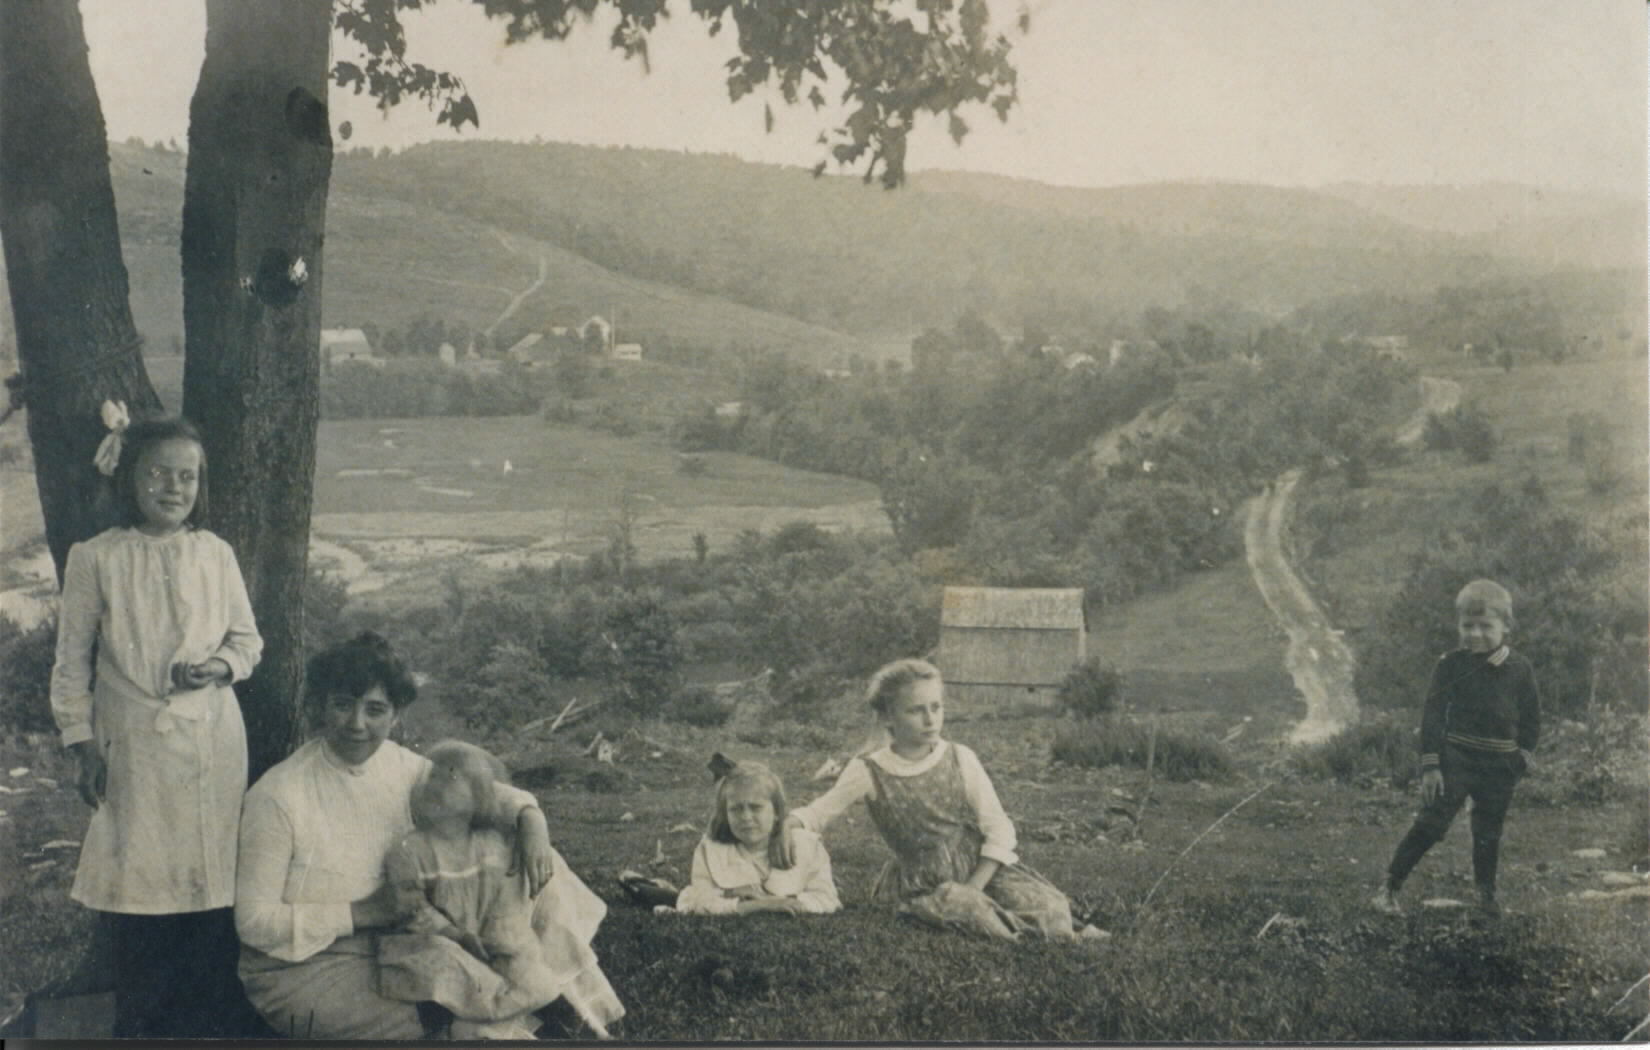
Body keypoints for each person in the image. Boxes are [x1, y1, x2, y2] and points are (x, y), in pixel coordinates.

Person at [235, 632, 624, 1040]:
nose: (357, 724)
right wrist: (363, 913)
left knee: (526, 860)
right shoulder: (279, 795)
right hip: (311, 967)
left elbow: (480, 793)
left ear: (395, 715)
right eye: (343, 705)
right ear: (319, 706)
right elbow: (254, 923)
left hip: (404, 939)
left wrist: (531, 819)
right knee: (449, 1005)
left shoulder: (400, 766)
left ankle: (555, 998)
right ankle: (528, 1011)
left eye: (375, 710)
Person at [49, 410, 264, 1038]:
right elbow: (71, 662)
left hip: (210, 740)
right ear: (129, 478)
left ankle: (204, 1021)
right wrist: (81, 742)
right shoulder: (97, 558)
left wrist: (217, 667)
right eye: (158, 474)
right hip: (134, 743)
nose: (174, 488)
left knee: (208, 882)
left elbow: (247, 641)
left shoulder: (214, 554)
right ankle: (141, 1021)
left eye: (187, 477)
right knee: (139, 884)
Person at [783, 658, 1105, 940]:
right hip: (923, 881)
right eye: (916, 710)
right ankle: (1035, 934)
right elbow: (819, 813)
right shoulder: (869, 769)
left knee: (1048, 904)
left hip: (977, 866)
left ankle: (1054, 926)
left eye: (936, 707)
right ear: (888, 717)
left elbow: (998, 827)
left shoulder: (959, 757)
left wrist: (975, 884)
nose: (930, 719)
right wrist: (786, 825)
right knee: (971, 912)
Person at [377, 739, 614, 1040]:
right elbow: (411, 907)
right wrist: (454, 934)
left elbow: (504, 903)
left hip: (488, 936)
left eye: (452, 777)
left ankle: (564, 1021)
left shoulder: (491, 846)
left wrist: (500, 939)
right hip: (435, 938)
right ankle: (459, 1023)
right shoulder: (409, 850)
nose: (437, 785)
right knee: (443, 968)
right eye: (433, 776)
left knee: (528, 969)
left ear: (478, 795)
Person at [1372, 579, 1541, 917]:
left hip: (1500, 765)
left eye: (1485, 626)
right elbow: (1433, 715)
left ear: (1506, 626)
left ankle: (1486, 898)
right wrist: (1431, 766)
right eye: (1467, 626)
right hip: (1456, 760)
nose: (1475, 634)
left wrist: (1522, 756)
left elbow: (1532, 717)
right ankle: (1388, 889)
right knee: (1431, 824)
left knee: (1488, 831)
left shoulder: (1520, 668)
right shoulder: (1450, 664)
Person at [671, 758, 840, 917]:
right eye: (736, 809)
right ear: (725, 815)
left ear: (776, 812)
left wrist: (784, 901)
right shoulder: (711, 848)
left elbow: (826, 899)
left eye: (755, 807)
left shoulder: (806, 846)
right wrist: (750, 906)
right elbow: (698, 900)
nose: (746, 817)